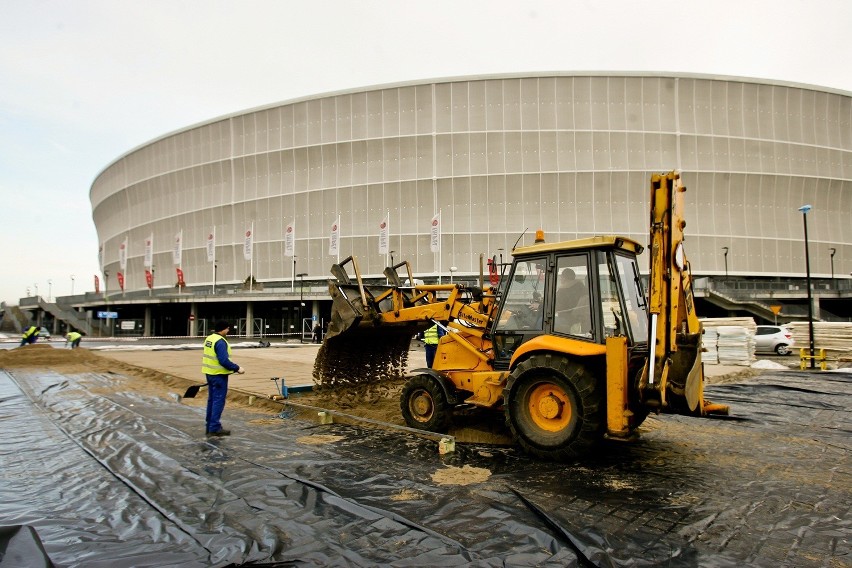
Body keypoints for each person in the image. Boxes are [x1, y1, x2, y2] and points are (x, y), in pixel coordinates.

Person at [201, 320, 245, 436]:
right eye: (228, 328)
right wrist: (237, 368)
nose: (229, 330)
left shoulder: (209, 338)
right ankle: (214, 428)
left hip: (209, 373)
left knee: (211, 400)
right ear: (223, 329)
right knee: (218, 401)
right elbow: (223, 360)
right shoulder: (220, 341)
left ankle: (209, 425)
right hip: (218, 375)